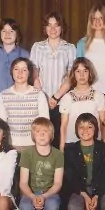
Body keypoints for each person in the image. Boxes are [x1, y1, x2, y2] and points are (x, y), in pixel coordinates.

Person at [19, 117, 64, 210]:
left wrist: (44, 196)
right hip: (31, 192)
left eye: (45, 132)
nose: (42, 135)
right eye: (38, 132)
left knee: (51, 207)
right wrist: (33, 197)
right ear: (33, 135)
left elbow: (57, 183)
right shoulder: (27, 153)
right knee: (25, 206)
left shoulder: (57, 155)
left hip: (50, 192)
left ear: (51, 134)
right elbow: (23, 183)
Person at [30, 11, 76, 148]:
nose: (53, 29)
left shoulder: (70, 48)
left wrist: (56, 97)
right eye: (49, 25)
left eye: (56, 25)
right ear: (45, 28)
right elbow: (34, 75)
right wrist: (44, 97)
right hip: (42, 99)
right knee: (42, 137)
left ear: (62, 28)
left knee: (59, 138)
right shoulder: (37, 47)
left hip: (62, 100)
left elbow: (71, 77)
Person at [0, 57, 49, 151]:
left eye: (24, 70)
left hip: (34, 146)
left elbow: (45, 124)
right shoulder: (4, 95)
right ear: (11, 72)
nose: (20, 73)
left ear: (29, 73)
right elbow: (1, 124)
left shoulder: (39, 95)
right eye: (16, 69)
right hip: (11, 146)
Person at [58, 58, 105, 151]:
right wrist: (61, 146)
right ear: (73, 74)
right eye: (78, 71)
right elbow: (63, 125)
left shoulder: (98, 95)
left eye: (85, 71)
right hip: (72, 144)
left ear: (90, 73)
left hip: (94, 144)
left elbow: (102, 122)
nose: (82, 75)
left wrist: (104, 142)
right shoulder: (67, 97)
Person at [76, 5, 105, 96]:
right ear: (90, 21)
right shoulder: (82, 44)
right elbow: (77, 70)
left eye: (101, 18)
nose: (97, 21)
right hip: (88, 92)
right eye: (94, 18)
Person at [0, 18, 30, 102]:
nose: (7, 34)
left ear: (17, 34)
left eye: (11, 31)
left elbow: (29, 78)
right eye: (4, 31)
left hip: (19, 98)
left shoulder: (25, 55)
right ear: (0, 34)